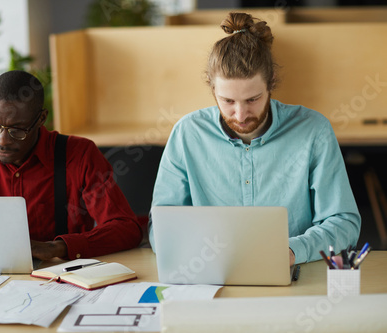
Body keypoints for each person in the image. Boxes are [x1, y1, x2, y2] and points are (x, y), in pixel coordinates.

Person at [149, 12, 361, 265]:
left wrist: (293, 251)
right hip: (210, 275)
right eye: (227, 101)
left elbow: (344, 224)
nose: (240, 115)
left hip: (294, 270)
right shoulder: (187, 133)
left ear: (271, 83)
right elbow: (160, 226)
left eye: (252, 99)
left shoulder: (313, 131)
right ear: (212, 87)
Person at [0, 70, 145, 260]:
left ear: (41, 119)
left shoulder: (79, 156)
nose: (1, 140)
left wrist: (57, 247)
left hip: (60, 278)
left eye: (17, 129)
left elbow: (126, 229)